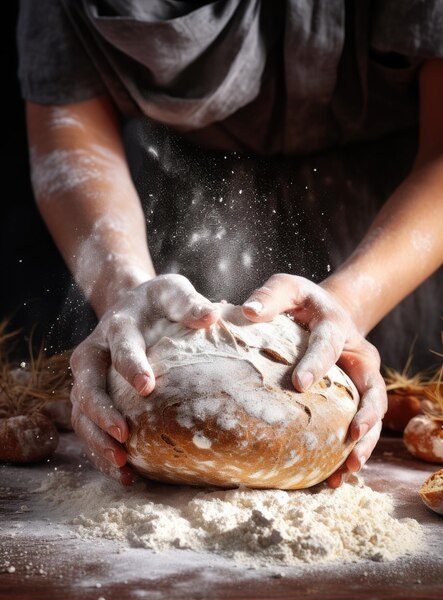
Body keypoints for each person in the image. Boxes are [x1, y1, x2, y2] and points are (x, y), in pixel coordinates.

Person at [17, 1, 443, 487]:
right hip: (161, 211)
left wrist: (351, 302)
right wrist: (123, 291)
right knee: (150, 399)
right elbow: (69, 123)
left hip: (393, 226)